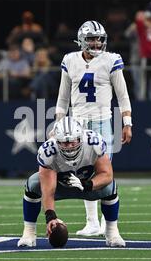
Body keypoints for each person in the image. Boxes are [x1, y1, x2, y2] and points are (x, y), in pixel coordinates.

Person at [54, 20, 132, 237]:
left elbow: (123, 96)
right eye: (91, 38)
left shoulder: (111, 60)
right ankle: (92, 222)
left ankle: (108, 225)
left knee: (103, 171)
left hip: (102, 122)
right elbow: (62, 98)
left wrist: (127, 123)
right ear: (81, 40)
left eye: (99, 38)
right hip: (76, 123)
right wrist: (59, 123)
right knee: (81, 170)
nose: (96, 43)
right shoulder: (70, 60)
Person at [17, 117, 125, 248]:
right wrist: (51, 217)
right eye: (64, 143)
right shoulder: (48, 151)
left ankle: (112, 232)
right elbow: (48, 190)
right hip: (59, 187)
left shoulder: (93, 143)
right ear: (56, 141)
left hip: (87, 187)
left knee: (110, 187)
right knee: (33, 184)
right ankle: (29, 233)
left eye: (72, 142)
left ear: (80, 138)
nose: (69, 147)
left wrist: (87, 185)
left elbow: (107, 174)